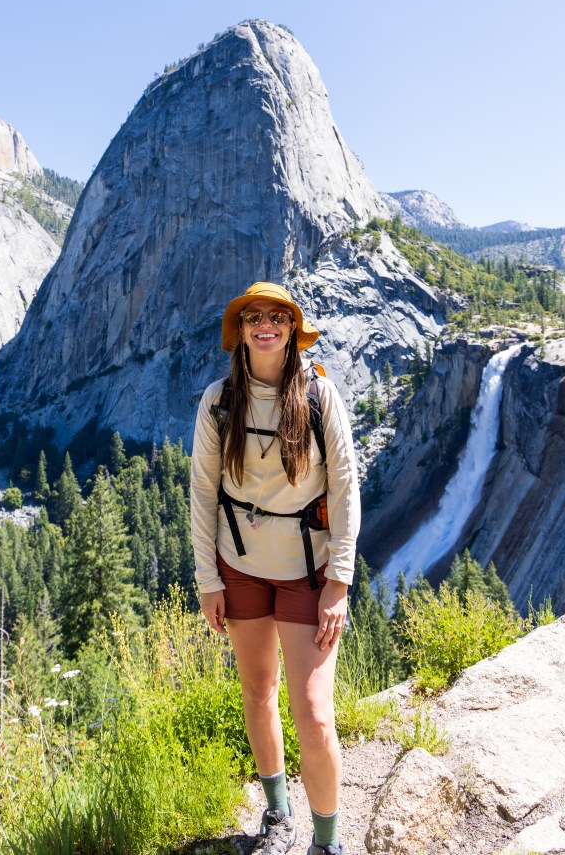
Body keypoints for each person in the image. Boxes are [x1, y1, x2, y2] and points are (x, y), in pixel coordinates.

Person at [190, 281, 360, 855]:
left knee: (313, 712)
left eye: (278, 317)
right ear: (240, 331)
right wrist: (207, 579)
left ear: (293, 329)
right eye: (253, 317)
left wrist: (339, 583)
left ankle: (328, 842)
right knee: (258, 690)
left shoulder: (319, 397)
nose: (266, 325)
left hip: (307, 574)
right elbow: (202, 493)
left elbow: (345, 488)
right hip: (238, 567)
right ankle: (278, 813)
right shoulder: (218, 401)